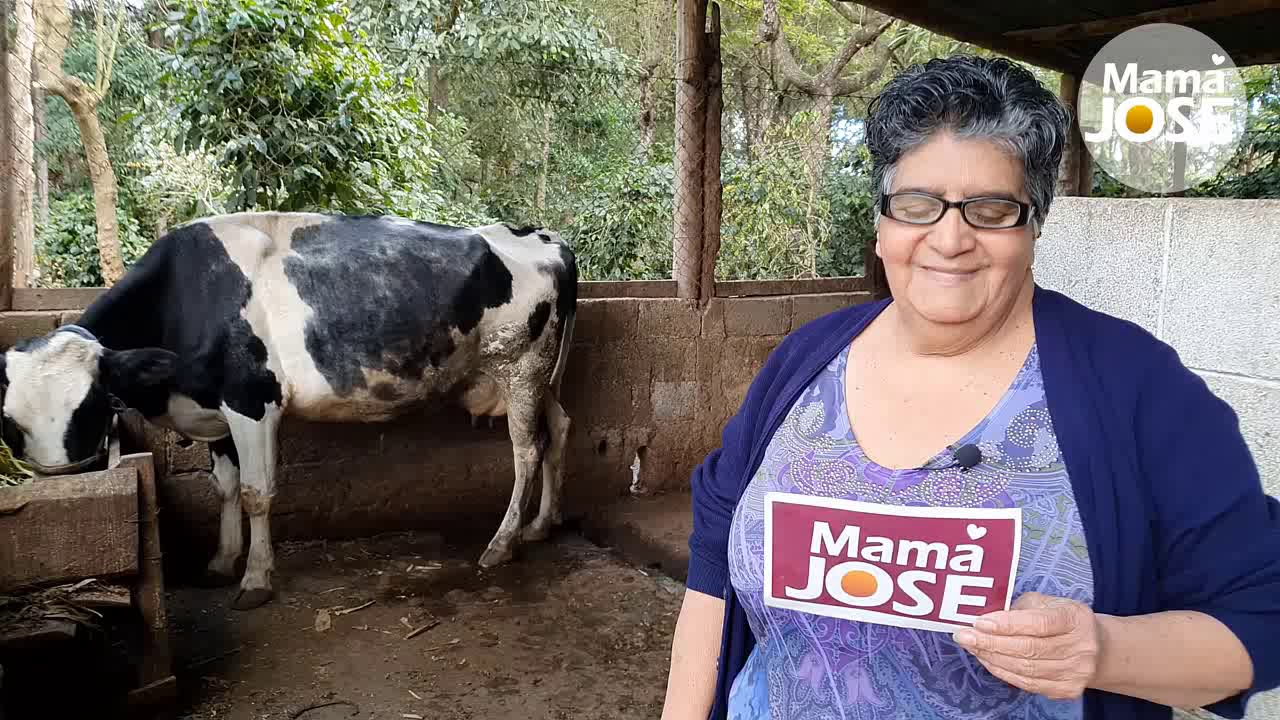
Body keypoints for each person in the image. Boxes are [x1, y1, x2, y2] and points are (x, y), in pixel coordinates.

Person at [660, 55, 1280, 720]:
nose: (950, 238)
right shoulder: (804, 363)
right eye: (917, 205)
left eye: (991, 209)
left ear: (1034, 224)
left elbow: (1261, 610)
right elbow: (713, 571)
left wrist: (1103, 650)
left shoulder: (1135, 387)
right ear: (882, 224)